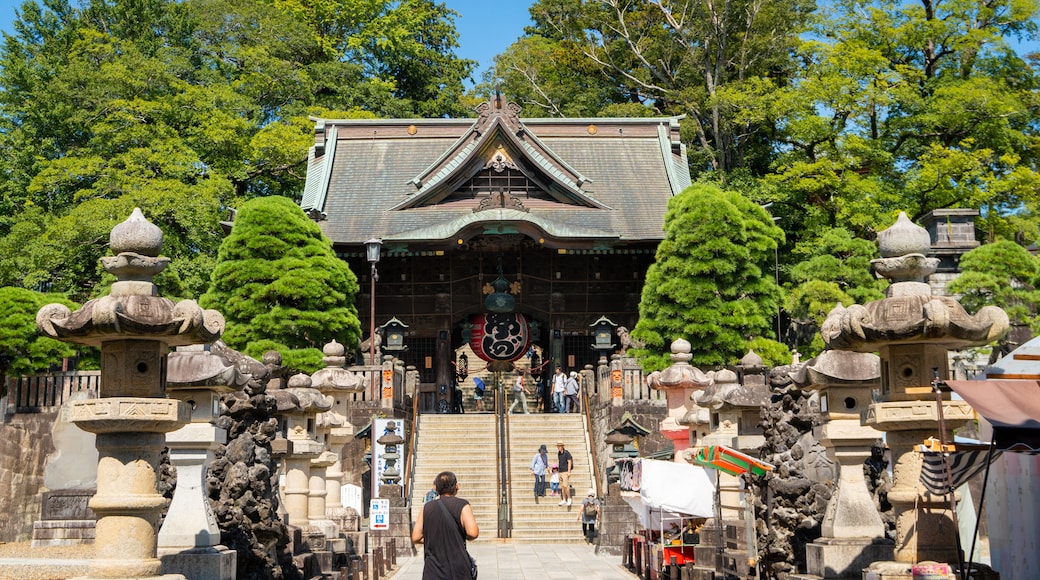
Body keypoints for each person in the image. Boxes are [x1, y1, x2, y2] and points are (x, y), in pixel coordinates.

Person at [411, 471, 479, 579]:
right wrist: (456, 537)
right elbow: (473, 532)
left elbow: (416, 537)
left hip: (433, 569)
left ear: (436, 488)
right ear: (456, 487)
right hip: (458, 570)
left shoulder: (426, 508)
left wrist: (434, 538)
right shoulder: (463, 505)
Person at [556, 441, 573, 506]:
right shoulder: (559, 453)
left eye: (560, 446)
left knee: (566, 485)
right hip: (560, 471)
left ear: (562, 446)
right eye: (558, 446)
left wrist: (569, 472)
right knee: (562, 486)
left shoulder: (566, 453)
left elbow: (569, 462)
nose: (558, 447)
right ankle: (564, 499)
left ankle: (569, 498)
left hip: (565, 471)